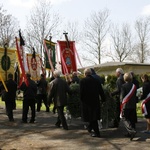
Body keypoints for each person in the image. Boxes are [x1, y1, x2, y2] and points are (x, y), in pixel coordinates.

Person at [80, 68, 105, 138]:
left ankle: (97, 133)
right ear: (91, 73)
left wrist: (81, 100)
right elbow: (101, 91)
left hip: (87, 102)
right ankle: (89, 128)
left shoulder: (82, 81)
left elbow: (81, 93)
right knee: (93, 117)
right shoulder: (96, 81)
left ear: (85, 74)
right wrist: (103, 99)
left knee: (92, 118)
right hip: (95, 101)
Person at [120, 73, 137, 141]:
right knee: (131, 119)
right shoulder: (134, 86)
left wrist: (121, 102)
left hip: (126, 105)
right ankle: (131, 132)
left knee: (124, 118)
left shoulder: (123, 86)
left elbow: (122, 96)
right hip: (133, 105)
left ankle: (131, 131)